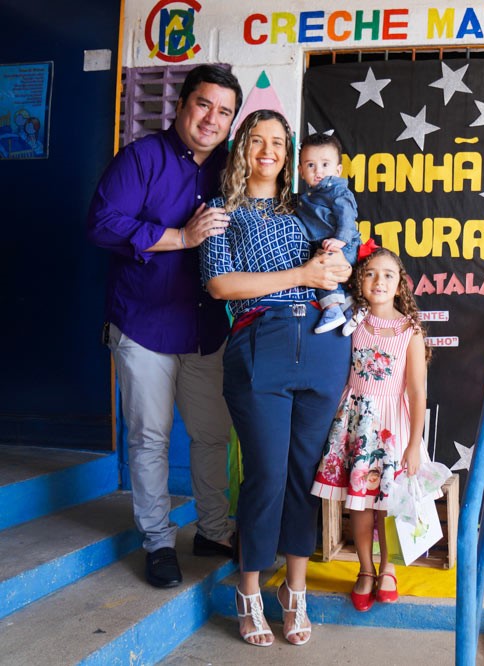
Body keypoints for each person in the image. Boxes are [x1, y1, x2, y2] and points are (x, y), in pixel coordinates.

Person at [86, 64, 243, 589]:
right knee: (150, 438)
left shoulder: (232, 167)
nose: (212, 119)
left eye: (224, 112)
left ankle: (214, 530)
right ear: (181, 105)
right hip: (143, 324)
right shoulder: (140, 158)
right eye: (203, 104)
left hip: (205, 327)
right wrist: (180, 237)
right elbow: (102, 225)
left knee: (212, 435)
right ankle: (157, 542)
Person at [201, 109, 353, 647]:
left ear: (289, 155)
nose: (268, 151)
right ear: (242, 147)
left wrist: (339, 267)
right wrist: (303, 274)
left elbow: (340, 261)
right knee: (265, 473)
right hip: (260, 340)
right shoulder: (221, 210)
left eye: (278, 143)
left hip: (322, 343)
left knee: (304, 474)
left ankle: (294, 590)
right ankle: (248, 592)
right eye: (257, 140)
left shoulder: (308, 204)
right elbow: (220, 285)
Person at [310, 246, 431, 612]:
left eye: (388, 275)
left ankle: (388, 567)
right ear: (359, 280)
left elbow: (417, 390)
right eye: (370, 273)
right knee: (360, 504)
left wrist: (413, 444)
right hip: (356, 423)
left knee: (388, 505)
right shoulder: (349, 322)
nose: (379, 281)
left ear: (400, 284)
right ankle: (365, 569)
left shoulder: (409, 331)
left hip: (393, 426)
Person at [295, 132, 362, 334]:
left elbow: (347, 216)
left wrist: (340, 240)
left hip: (344, 244)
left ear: (338, 170)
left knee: (323, 271)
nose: (318, 171)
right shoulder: (308, 197)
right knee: (324, 272)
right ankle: (351, 309)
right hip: (326, 243)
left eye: (325, 164)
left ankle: (332, 309)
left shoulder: (337, 191)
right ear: (300, 171)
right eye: (310, 165)